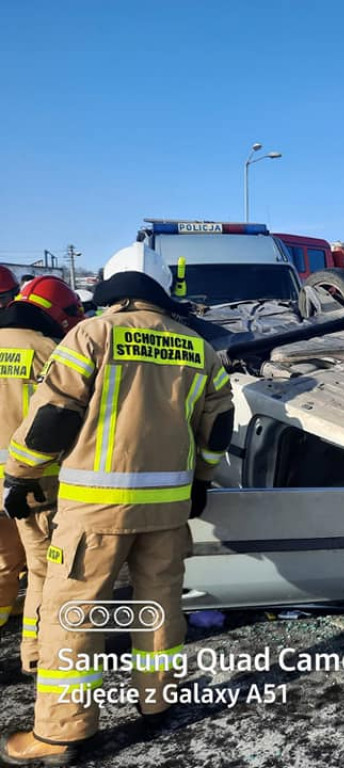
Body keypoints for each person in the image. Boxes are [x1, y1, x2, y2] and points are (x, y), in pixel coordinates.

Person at [0, 243, 234, 765]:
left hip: (94, 512)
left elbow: (52, 417)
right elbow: (218, 425)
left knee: (73, 613)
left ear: (114, 287)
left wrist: (21, 474)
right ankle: (158, 702)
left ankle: (61, 732)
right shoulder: (198, 348)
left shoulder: (93, 335)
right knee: (159, 606)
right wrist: (201, 479)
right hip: (168, 510)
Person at [0, 277, 83, 677]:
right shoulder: (49, 351)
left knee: (3, 563)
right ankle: (35, 654)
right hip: (31, 482)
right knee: (41, 570)